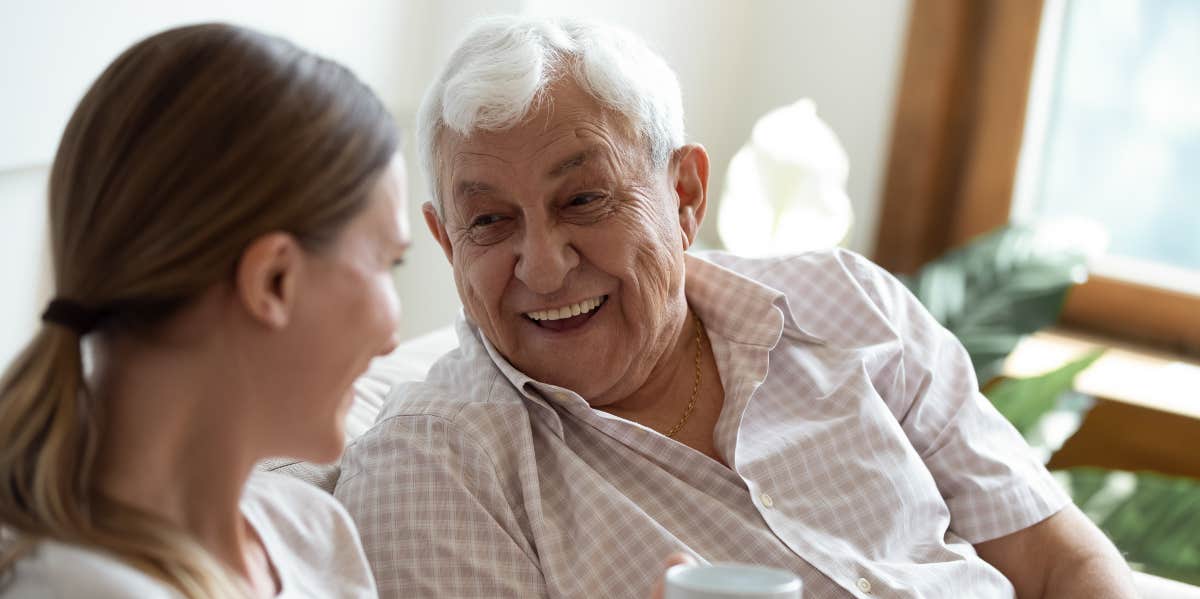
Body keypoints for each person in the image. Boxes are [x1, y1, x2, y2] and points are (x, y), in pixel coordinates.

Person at [335, 15, 1138, 599]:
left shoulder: (848, 306)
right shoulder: (434, 466)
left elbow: (1059, 561)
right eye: (491, 221)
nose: (543, 267)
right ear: (447, 243)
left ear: (685, 195)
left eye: (584, 199)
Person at [0, 23, 410, 598]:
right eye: (389, 262)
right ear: (274, 280)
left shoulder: (311, 532)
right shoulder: (73, 587)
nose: (395, 336)